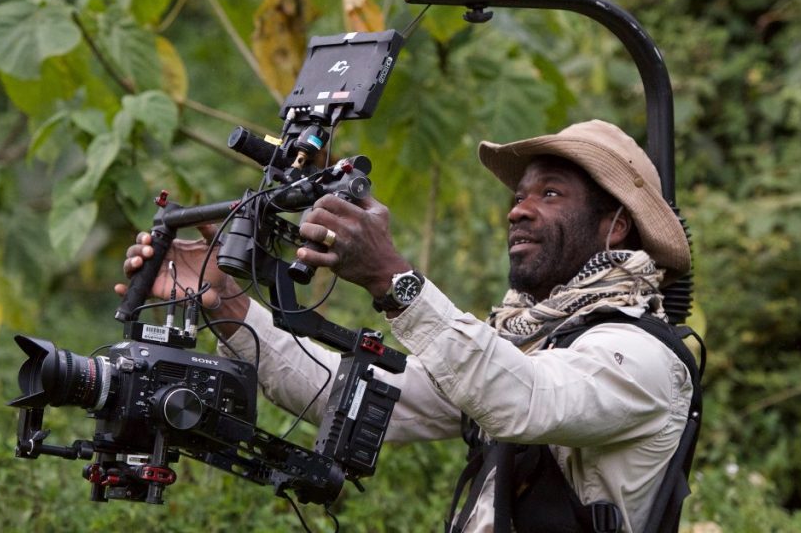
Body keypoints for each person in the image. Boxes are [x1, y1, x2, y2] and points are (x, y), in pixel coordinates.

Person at [116, 120, 695, 532]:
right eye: (519, 196)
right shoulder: (528, 342)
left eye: (550, 194)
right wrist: (227, 305)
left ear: (616, 226)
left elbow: (527, 400)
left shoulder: (643, 358)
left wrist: (394, 279)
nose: (518, 209)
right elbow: (350, 395)